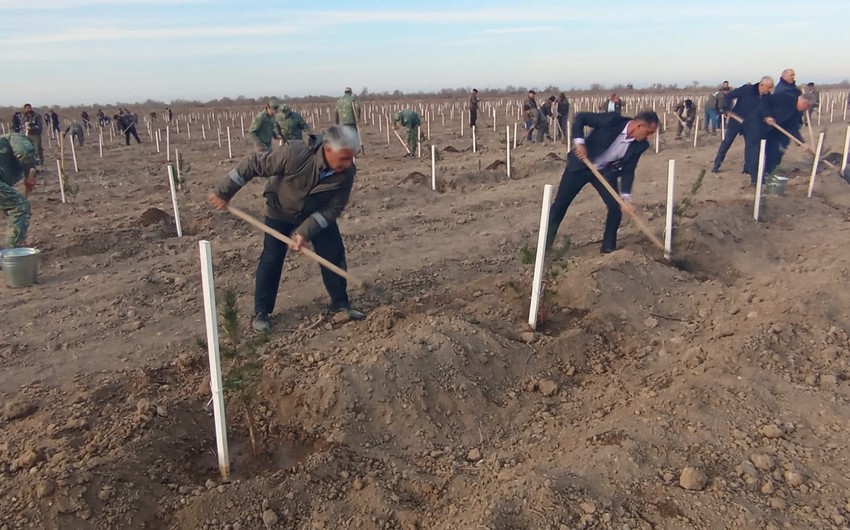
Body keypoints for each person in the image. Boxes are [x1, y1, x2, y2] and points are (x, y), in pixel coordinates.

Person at [208, 125, 365, 332]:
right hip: (281, 209)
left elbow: (332, 209)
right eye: (344, 158)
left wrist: (304, 232)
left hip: (315, 212)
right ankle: (262, 312)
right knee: (272, 257)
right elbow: (253, 164)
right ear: (327, 150)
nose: (348, 164)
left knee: (333, 253)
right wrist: (224, 192)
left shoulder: (347, 173)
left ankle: (340, 303)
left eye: (351, 158)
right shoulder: (295, 153)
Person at [546, 110, 659, 253]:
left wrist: (626, 198)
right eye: (648, 132)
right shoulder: (612, 120)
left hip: (604, 173)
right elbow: (581, 118)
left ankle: (608, 248)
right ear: (638, 126)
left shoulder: (640, 145)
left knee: (615, 207)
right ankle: (545, 247)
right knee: (560, 205)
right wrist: (580, 143)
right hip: (581, 166)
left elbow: (628, 170)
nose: (649, 137)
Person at [713, 76, 774, 173]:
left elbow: (765, 110)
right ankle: (717, 164)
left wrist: (768, 117)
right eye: (769, 87)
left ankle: (748, 168)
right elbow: (729, 96)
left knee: (750, 145)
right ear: (762, 85)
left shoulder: (767, 96)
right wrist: (726, 109)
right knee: (727, 142)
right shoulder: (747, 89)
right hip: (736, 120)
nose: (770, 90)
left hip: (750, 124)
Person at [759, 91, 815, 178]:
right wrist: (767, 116)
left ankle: (769, 171)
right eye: (807, 107)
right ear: (804, 103)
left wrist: (802, 143)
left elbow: (793, 129)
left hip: (778, 130)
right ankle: (760, 175)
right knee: (766, 151)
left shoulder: (797, 112)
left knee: (779, 151)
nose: (806, 110)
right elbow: (765, 100)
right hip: (763, 126)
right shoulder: (785, 97)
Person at [0, 133, 36, 248]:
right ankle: (11, 252)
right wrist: (29, 172)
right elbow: (24, 152)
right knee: (19, 207)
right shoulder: (17, 137)